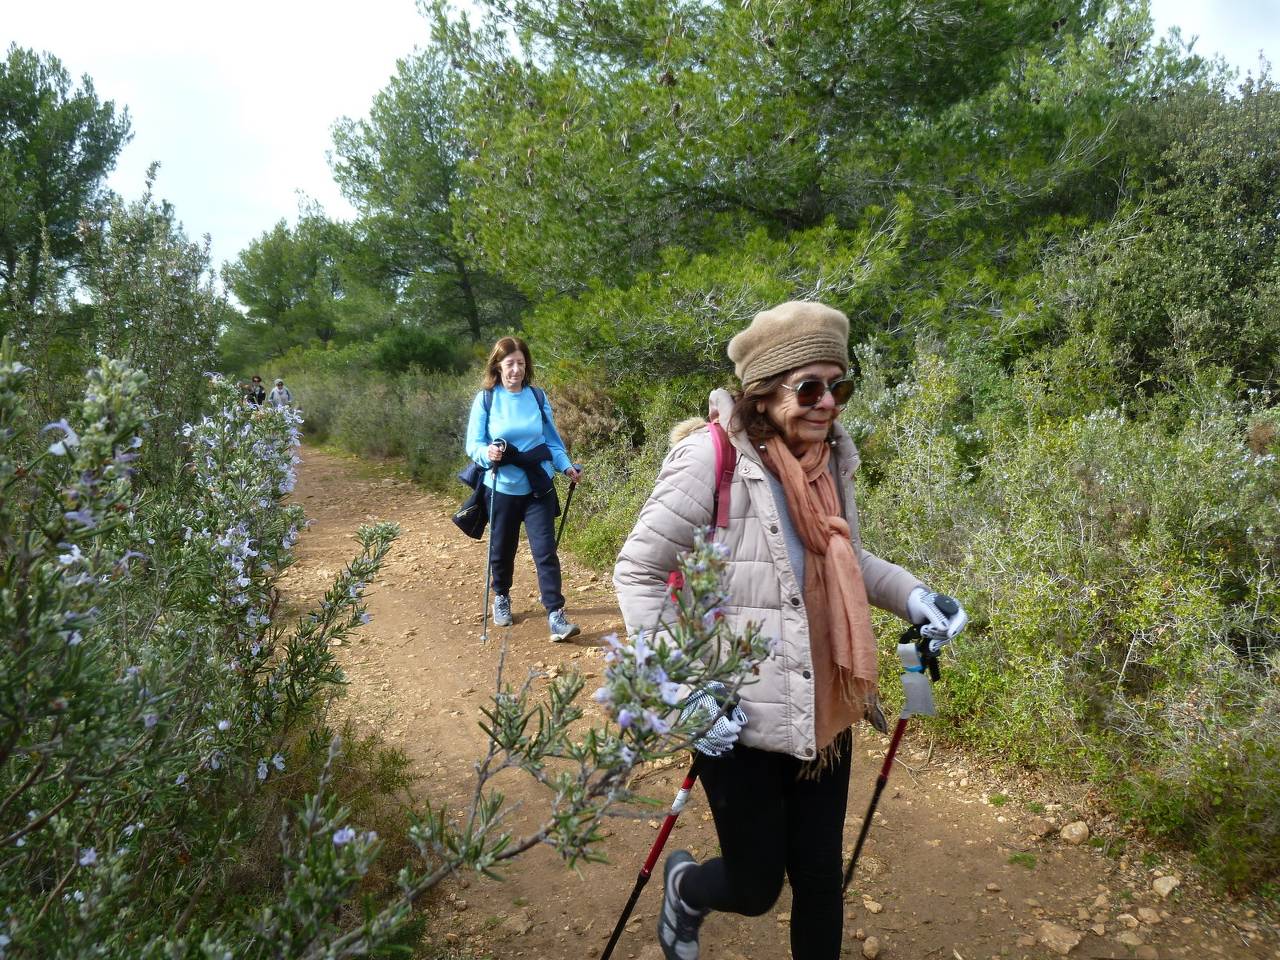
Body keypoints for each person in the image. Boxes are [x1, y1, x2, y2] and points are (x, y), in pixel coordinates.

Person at [613, 301, 968, 960]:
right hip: (736, 716)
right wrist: (681, 684)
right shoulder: (708, 458)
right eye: (811, 386)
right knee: (754, 886)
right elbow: (637, 571)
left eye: (840, 385)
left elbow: (848, 560)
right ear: (764, 391)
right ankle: (688, 890)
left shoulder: (828, 459)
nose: (828, 402)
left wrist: (916, 595)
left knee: (819, 882)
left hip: (824, 710)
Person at [465, 336, 584, 642]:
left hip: (537, 487)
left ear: (527, 365)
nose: (516, 369)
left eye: (521, 363)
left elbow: (552, 443)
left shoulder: (537, 397)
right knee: (503, 549)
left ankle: (556, 616)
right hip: (501, 487)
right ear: (498, 366)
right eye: (509, 364)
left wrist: (567, 466)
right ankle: (501, 596)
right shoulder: (487, 398)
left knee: (545, 552)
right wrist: (486, 454)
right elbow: (473, 444)